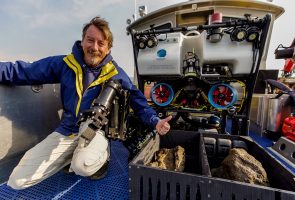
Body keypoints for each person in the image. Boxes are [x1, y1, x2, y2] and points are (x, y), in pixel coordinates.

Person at [0, 16, 171, 190]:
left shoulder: (116, 73)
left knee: (83, 166)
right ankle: (70, 156)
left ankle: (100, 160)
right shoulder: (65, 64)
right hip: (67, 131)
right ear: (82, 41)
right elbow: (23, 71)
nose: (94, 47)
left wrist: (155, 121)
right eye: (90, 40)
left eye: (101, 43)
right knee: (17, 181)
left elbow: (138, 102)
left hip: (96, 131)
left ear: (108, 48)